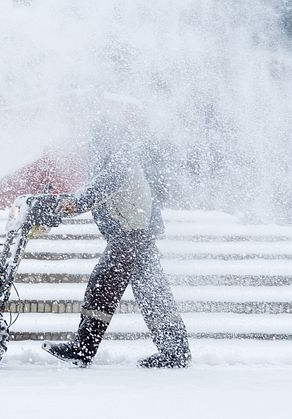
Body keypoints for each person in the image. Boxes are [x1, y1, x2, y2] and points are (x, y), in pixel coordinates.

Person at [41, 120, 191, 368]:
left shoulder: (121, 163)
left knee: (102, 287)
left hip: (130, 237)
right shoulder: (119, 161)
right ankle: (176, 350)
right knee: (151, 293)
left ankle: (83, 349)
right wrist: (67, 202)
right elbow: (95, 188)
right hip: (137, 236)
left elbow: (98, 190)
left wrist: (73, 205)